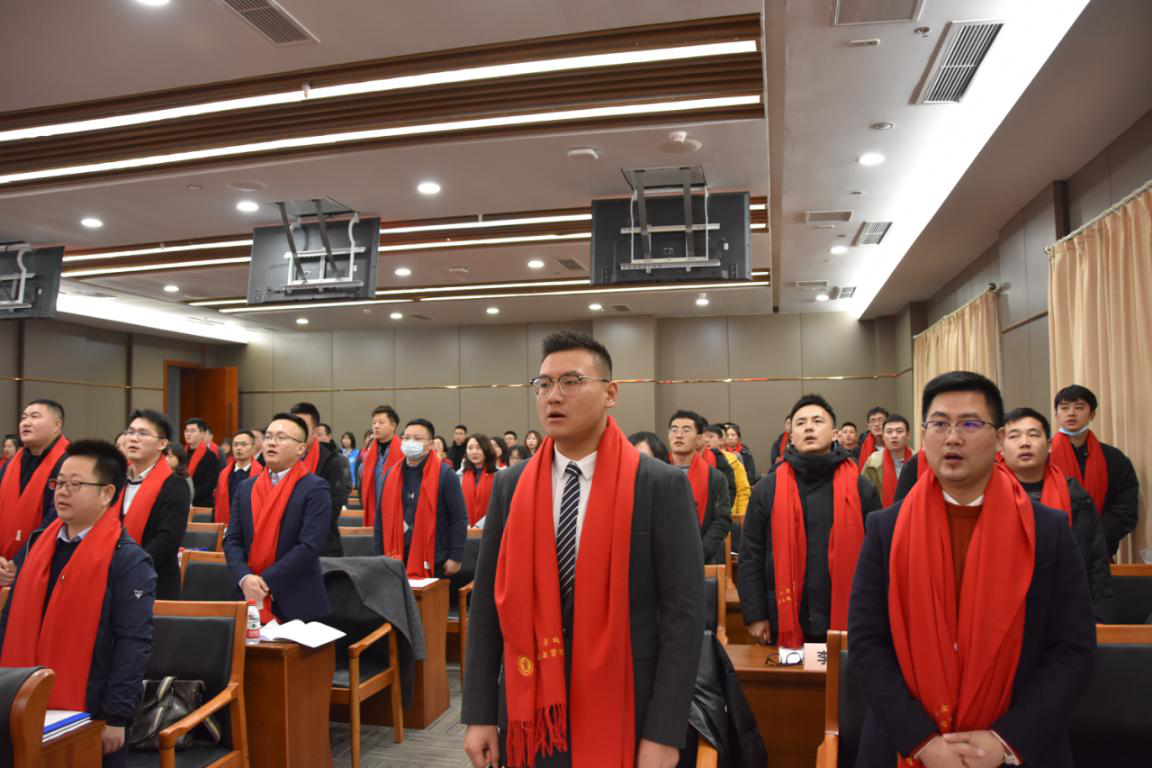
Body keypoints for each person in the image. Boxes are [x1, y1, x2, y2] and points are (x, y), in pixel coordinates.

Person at [463, 331, 704, 768]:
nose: (553, 396)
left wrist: (665, 731)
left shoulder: (660, 485)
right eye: (544, 384)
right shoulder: (511, 486)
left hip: (629, 700)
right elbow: (485, 607)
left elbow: (683, 617)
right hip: (530, 700)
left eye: (571, 382)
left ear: (610, 393)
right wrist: (479, 713)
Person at [849, 371, 1095, 767]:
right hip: (905, 745)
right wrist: (922, 742)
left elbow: (1072, 649)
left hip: (1018, 747)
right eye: (939, 424)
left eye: (969, 424)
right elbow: (867, 644)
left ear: (999, 438)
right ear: (924, 435)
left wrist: (1005, 742)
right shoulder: (886, 529)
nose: (952, 437)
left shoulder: (1047, 530)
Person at [0, 439, 155, 766]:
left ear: (107, 494)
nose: (62, 492)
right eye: (59, 483)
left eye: (76, 484)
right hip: (20, 703)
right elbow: (8, 619)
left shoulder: (128, 559)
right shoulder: (38, 545)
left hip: (91, 711)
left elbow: (133, 642)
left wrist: (116, 716)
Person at [738, 394, 881, 649]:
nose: (809, 428)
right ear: (791, 435)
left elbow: (877, 557)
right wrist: (755, 614)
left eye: (817, 421)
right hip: (783, 619)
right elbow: (751, 555)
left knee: (842, 675)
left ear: (835, 434)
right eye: (801, 423)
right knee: (790, 675)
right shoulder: (767, 489)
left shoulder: (860, 488)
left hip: (849, 618)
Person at [1000, 407, 1113, 622]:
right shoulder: (987, 496)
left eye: (1034, 435)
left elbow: (1097, 563)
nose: (1025, 443)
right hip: (1005, 613)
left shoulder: (1075, 496)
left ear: (1050, 445)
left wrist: (1100, 619)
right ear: (1000, 446)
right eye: (1014, 436)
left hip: (1067, 610)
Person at [223, 413, 331, 623]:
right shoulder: (246, 487)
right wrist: (245, 578)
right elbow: (232, 539)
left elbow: (310, 545)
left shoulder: (315, 488)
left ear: (301, 448)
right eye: (268, 437)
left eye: (281, 438)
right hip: (247, 595)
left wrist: (265, 581)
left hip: (296, 599)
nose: (272, 443)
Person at [1049, 385, 1140, 556]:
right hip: (1053, 549)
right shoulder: (1042, 456)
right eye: (1064, 408)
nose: (1071, 413)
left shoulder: (1114, 458)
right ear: (1056, 414)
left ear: (1092, 414)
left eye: (1079, 407)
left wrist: (1095, 536)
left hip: (1100, 551)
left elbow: (1125, 510)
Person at [372, 418, 467, 578]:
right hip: (395, 558)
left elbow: (458, 517)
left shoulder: (445, 474)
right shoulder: (391, 474)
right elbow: (380, 518)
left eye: (417, 438)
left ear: (430, 445)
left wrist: (456, 557)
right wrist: (378, 555)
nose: (410, 442)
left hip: (434, 560)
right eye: (406, 438)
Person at [117, 409, 190, 600]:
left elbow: (168, 540)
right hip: (112, 577)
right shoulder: (116, 481)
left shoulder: (174, 485)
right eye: (130, 432)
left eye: (143, 433)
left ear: (162, 444)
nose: (133, 439)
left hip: (154, 581)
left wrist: (128, 567)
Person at [0, 399, 70, 559]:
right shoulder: (12, 462)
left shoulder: (68, 462)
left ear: (57, 425)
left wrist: (19, 560)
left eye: (35, 416)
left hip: (43, 556)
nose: (26, 423)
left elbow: (57, 517)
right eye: (24, 417)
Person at [667, 412, 732, 565]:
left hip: (702, 559)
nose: (679, 435)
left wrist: (700, 552)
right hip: (661, 558)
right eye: (674, 430)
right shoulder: (655, 472)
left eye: (686, 430)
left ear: (699, 438)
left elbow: (721, 521)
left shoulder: (715, 478)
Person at [289, 402, 348, 557]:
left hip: (322, 546)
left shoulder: (331, 461)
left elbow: (332, 509)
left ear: (315, 430)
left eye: (303, 426)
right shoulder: (284, 459)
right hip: (286, 544)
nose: (298, 431)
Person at [360, 405, 404, 527]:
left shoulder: (403, 451)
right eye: (374, 423)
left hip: (398, 513)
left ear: (393, 425)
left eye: (381, 422)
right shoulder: (368, 455)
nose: (376, 426)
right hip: (375, 513)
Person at [214, 430, 264, 525]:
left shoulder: (261, 474)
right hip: (226, 524)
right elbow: (217, 503)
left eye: (243, 444)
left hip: (251, 524)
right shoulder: (224, 474)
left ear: (253, 448)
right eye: (235, 445)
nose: (239, 448)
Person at [862, 414, 913, 507]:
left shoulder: (917, 459)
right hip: (881, 512)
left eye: (899, 431)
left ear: (908, 435)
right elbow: (863, 494)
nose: (894, 436)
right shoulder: (873, 461)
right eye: (889, 432)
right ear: (883, 436)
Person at [703, 425, 750, 520]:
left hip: (731, 514)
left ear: (721, 440)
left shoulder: (733, 460)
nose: (707, 440)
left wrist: (742, 515)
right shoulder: (695, 460)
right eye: (704, 437)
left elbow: (743, 490)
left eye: (711, 437)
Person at [460, 434, 499, 526]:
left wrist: (479, 526)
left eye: (478, 448)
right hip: (465, 528)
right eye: (470, 448)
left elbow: (498, 507)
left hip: (491, 528)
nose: (474, 452)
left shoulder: (499, 475)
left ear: (487, 449)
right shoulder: (459, 475)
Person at [183, 418, 220, 507]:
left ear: (202, 434)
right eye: (186, 431)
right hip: (181, 501)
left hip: (201, 504)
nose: (188, 434)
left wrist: (188, 495)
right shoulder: (181, 453)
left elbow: (210, 484)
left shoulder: (210, 456)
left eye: (192, 431)